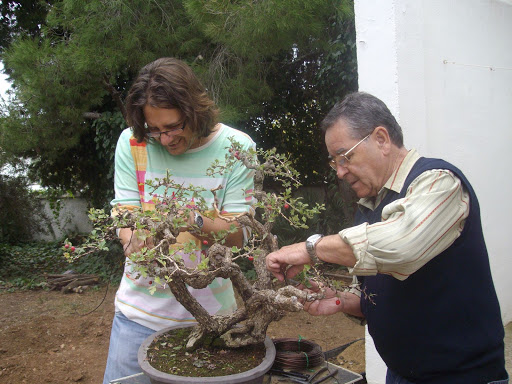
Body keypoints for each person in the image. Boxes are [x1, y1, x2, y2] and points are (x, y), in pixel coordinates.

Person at [266, 92, 508, 384]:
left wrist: (311, 248)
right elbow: (380, 289)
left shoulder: (438, 182)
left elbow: (401, 245)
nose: (341, 172)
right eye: (335, 162)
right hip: (402, 376)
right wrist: (343, 301)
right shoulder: (369, 207)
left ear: (381, 138)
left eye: (345, 157)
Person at [103, 57, 256, 384]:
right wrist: (131, 239)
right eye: (155, 129)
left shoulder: (237, 149)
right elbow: (125, 211)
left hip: (213, 320)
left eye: (172, 127)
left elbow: (239, 236)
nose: (165, 139)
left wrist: (193, 219)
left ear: (195, 111)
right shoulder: (133, 143)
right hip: (138, 316)